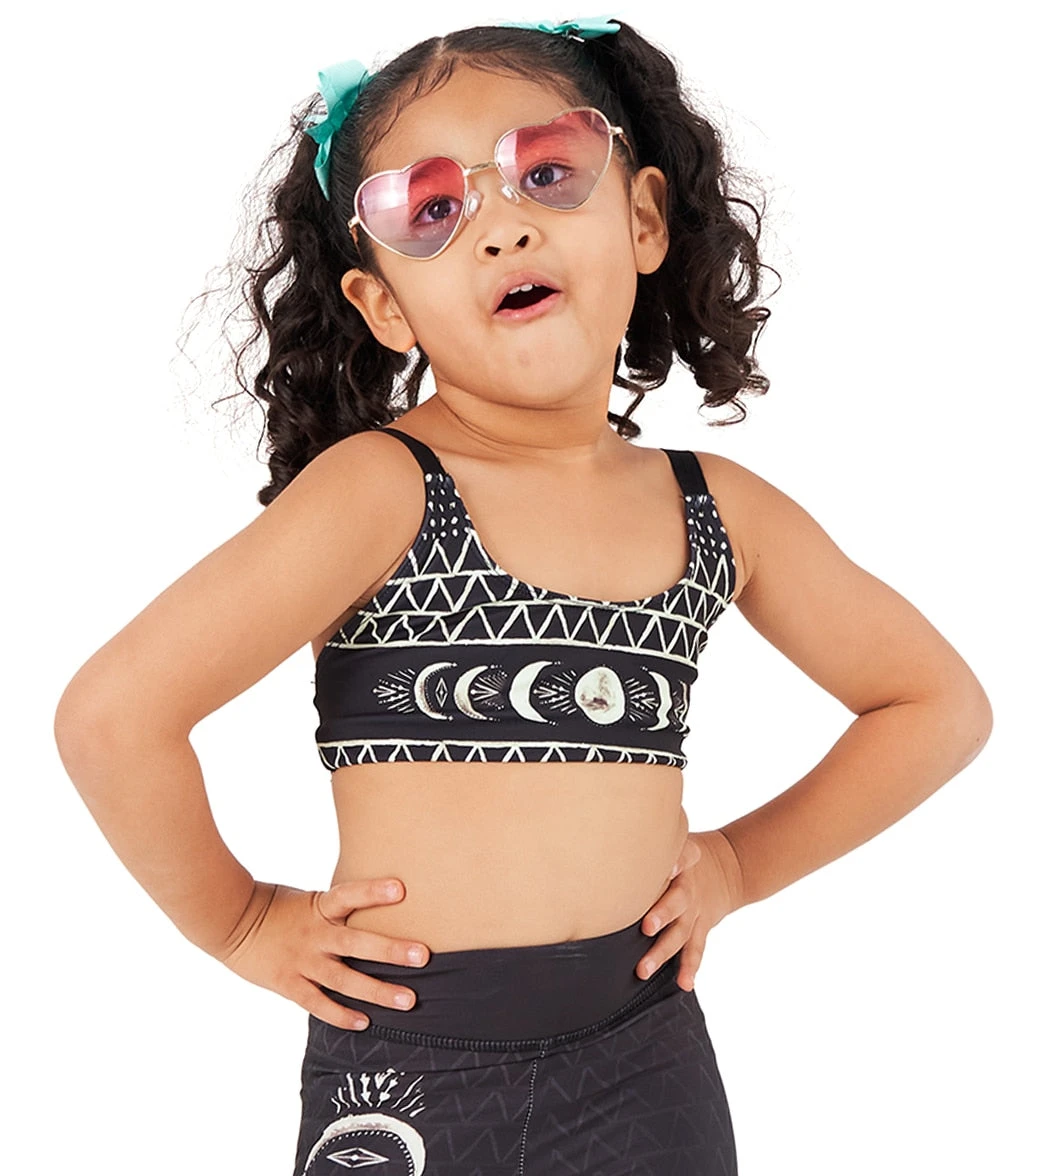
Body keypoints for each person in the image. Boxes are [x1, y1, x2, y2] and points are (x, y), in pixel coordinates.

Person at [52, 14, 993, 1175]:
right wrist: (241, 922)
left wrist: (740, 865)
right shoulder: (383, 491)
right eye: (432, 210)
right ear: (386, 305)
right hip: (416, 1059)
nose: (501, 225)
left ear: (642, 218)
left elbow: (936, 705)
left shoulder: (717, 510)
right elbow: (115, 716)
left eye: (547, 173)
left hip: (647, 1057)